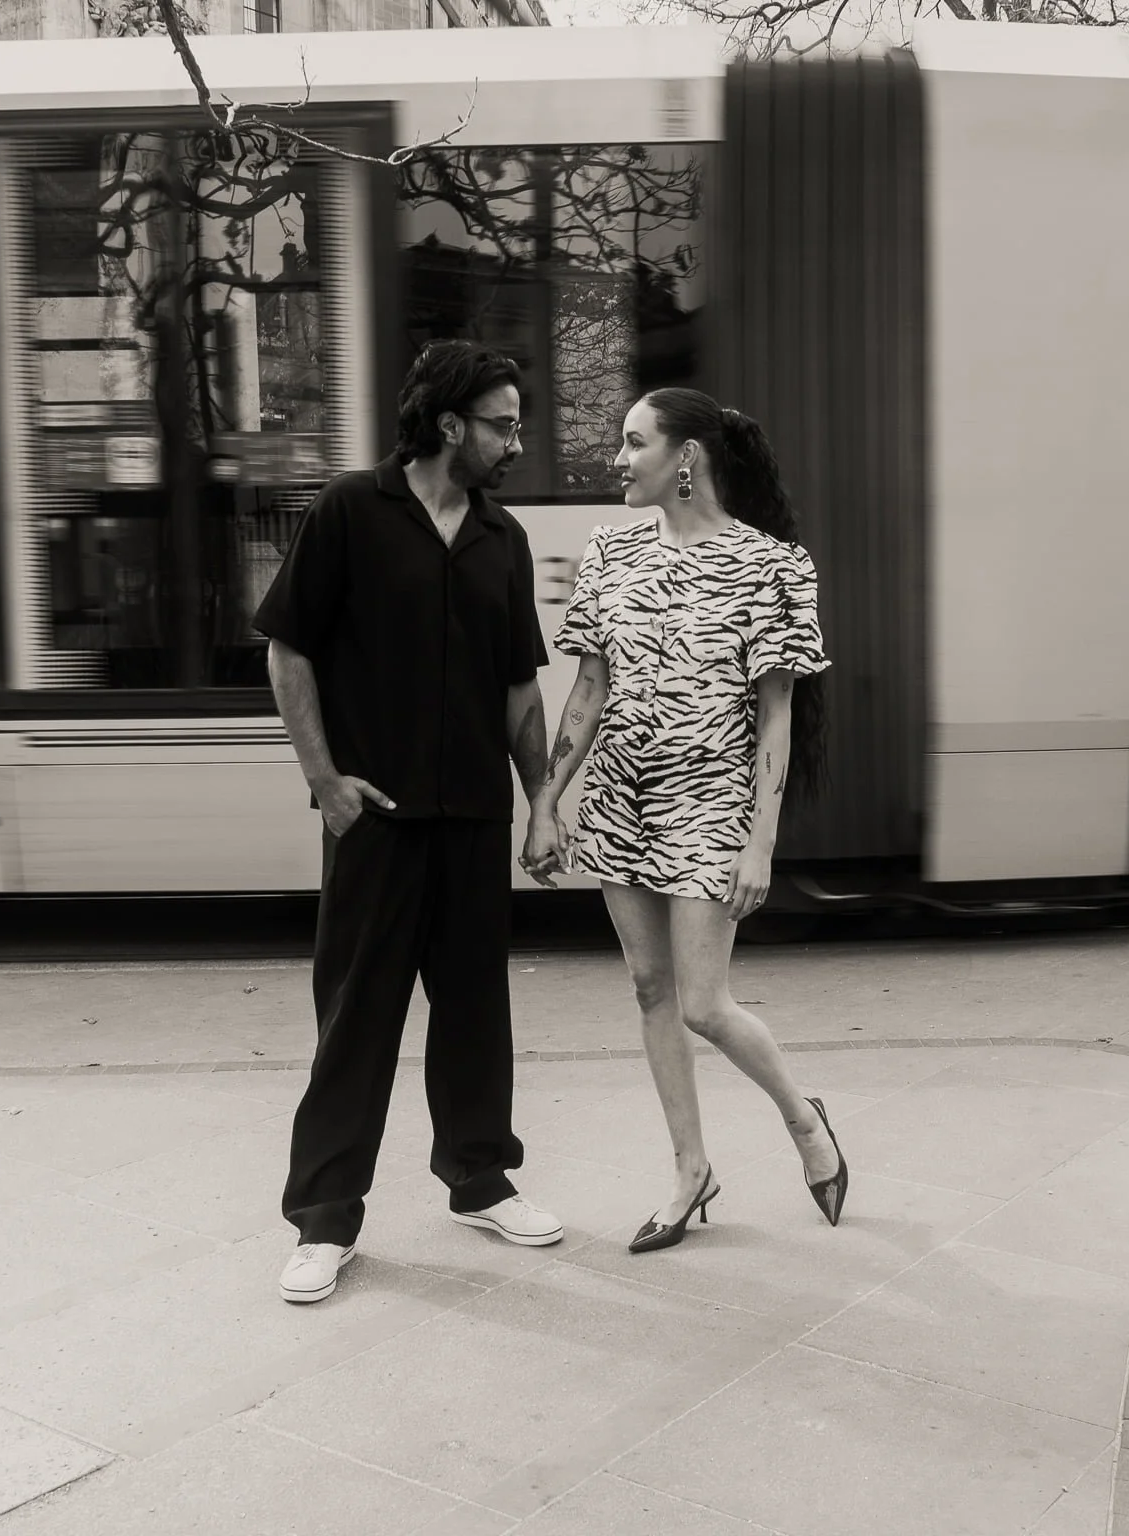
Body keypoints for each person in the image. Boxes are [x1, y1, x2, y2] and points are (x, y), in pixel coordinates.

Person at [255, 340, 562, 1305]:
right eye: (503, 423)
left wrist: (540, 802)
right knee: (357, 1020)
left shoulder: (501, 538)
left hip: (471, 816)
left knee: (477, 1013)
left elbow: (520, 689)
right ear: (448, 425)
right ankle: (324, 1221)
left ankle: (479, 1180)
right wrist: (327, 780)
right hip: (375, 821)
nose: (517, 440)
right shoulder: (352, 510)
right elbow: (288, 651)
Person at [523, 388, 848, 1253]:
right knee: (649, 990)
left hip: (710, 803)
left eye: (634, 443)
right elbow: (588, 689)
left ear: (687, 459)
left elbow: (777, 715)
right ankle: (689, 1170)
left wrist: (761, 842)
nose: (618, 460)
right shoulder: (608, 551)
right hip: (620, 799)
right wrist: (547, 802)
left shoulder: (775, 566)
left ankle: (801, 1117)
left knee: (704, 1004)